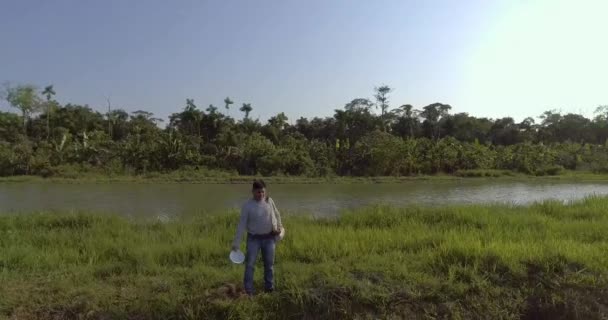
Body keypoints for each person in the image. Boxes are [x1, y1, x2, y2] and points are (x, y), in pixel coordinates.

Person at [232, 179, 284, 295]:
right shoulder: (247, 205)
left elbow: (277, 214)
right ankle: (249, 290)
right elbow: (241, 225)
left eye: (263, 192)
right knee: (250, 265)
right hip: (253, 239)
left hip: (269, 238)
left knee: (269, 265)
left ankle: (269, 288)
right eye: (258, 192)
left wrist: (279, 227)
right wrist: (236, 243)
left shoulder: (269, 201)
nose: (261, 194)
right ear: (252, 192)